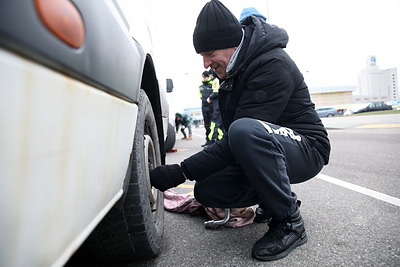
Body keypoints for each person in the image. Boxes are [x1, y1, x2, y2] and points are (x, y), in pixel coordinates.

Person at [151, 0, 330, 262]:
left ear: (233, 44)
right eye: (202, 55)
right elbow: (228, 140)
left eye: (210, 53)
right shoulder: (232, 73)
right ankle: (272, 202)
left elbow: (243, 134)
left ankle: (290, 222)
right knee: (207, 190)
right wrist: (195, 173)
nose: (205, 63)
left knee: (245, 130)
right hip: (268, 143)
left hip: (306, 147)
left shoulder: (272, 63)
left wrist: (182, 171)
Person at [207, 69, 224, 144]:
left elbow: (216, 92)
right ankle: (220, 140)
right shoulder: (219, 80)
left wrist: (210, 97)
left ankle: (213, 141)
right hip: (218, 106)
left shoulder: (216, 81)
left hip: (217, 106)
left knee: (214, 123)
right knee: (220, 124)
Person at [199, 70, 214, 147]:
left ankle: (212, 140)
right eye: (203, 77)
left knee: (212, 124)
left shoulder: (212, 84)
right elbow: (200, 97)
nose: (204, 78)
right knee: (206, 125)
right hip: (204, 107)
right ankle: (207, 140)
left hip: (211, 107)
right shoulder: (200, 87)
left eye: (205, 77)